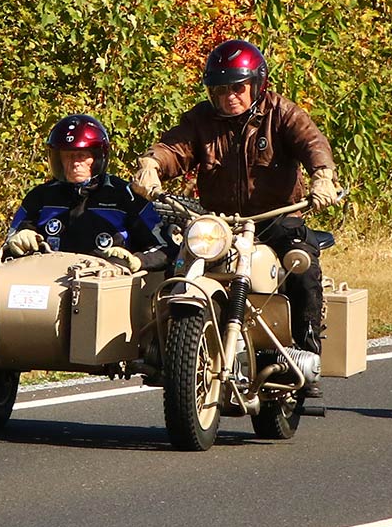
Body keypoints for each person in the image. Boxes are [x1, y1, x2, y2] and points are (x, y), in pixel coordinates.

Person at [130, 39, 341, 398]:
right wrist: (151, 165)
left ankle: (307, 354)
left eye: (238, 88)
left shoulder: (282, 113)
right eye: (221, 88)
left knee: (302, 268)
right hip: (221, 224)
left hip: (277, 219)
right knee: (177, 262)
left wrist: (323, 176)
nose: (230, 96)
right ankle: (162, 351)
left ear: (256, 85)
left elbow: (313, 143)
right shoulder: (201, 120)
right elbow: (174, 148)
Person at [4, 113, 171, 273]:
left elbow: (164, 249)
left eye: (82, 156)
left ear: (98, 158)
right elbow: (5, 249)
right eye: (68, 156)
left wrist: (137, 260)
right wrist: (18, 240)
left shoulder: (126, 196)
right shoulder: (40, 197)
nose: (75, 163)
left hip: (106, 288)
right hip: (47, 285)